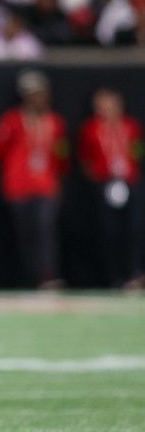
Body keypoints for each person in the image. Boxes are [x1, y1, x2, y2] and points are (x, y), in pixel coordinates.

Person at [0, 69, 69, 289]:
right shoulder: (12, 120)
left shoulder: (55, 122)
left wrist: (57, 179)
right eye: (33, 94)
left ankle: (47, 277)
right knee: (25, 234)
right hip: (18, 186)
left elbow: (61, 154)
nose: (38, 98)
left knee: (46, 230)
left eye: (41, 93)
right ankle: (30, 278)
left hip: (46, 185)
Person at [78, 88, 144, 288]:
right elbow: (85, 157)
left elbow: (137, 151)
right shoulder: (91, 128)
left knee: (135, 229)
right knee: (110, 231)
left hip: (129, 182)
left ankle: (135, 273)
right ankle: (115, 276)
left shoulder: (131, 126)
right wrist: (97, 178)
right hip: (105, 183)